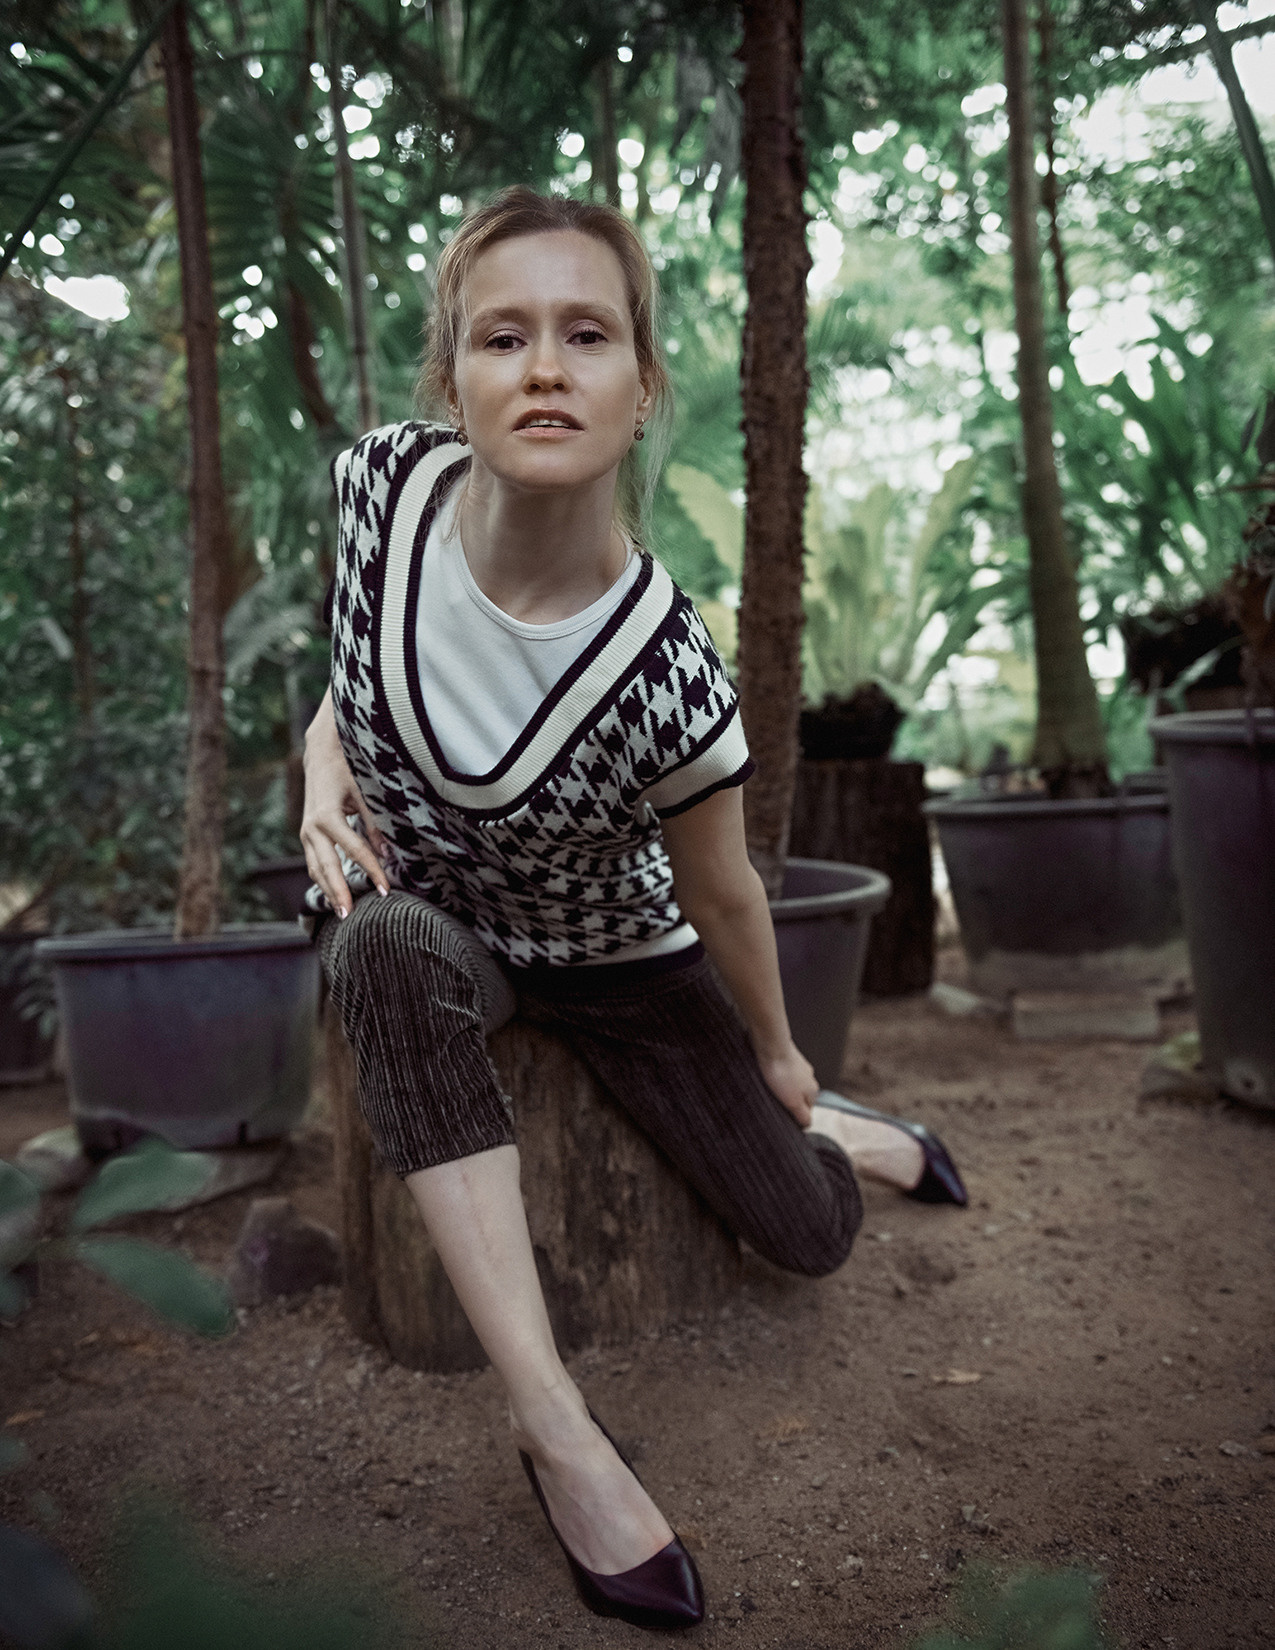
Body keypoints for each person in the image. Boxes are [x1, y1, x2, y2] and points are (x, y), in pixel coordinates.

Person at [300, 187, 966, 1632]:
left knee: (808, 1233)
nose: (544, 367)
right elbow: (352, 678)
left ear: (644, 383)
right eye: (503, 336)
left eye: (586, 334)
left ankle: (851, 1133)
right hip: (443, 932)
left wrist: (778, 1055)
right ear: (452, 378)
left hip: (623, 967)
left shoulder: (667, 673)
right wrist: (315, 770)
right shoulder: (380, 489)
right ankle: (558, 1431)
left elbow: (723, 892)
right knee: (379, 947)